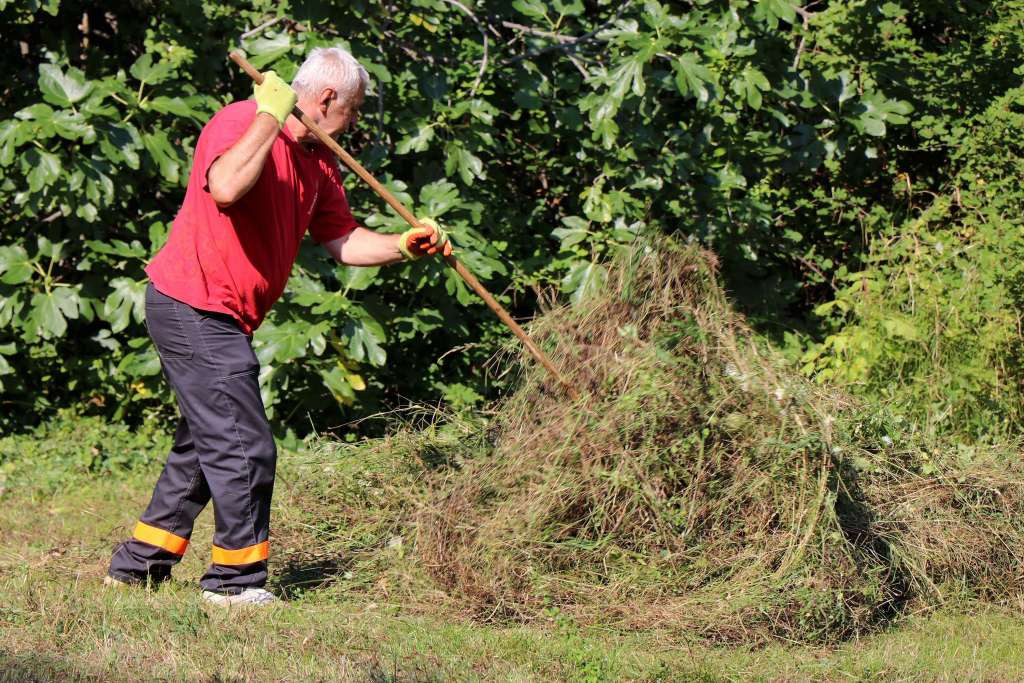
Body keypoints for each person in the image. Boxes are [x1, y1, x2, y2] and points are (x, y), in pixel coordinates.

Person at [105, 47, 450, 606]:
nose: (354, 122)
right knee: (246, 447)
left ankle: (138, 566)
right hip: (192, 303)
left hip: (225, 315)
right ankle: (234, 584)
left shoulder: (320, 159)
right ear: (327, 98)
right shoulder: (241, 121)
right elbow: (226, 188)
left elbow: (341, 241)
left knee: (204, 447)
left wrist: (403, 246)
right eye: (353, 110)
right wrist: (269, 116)